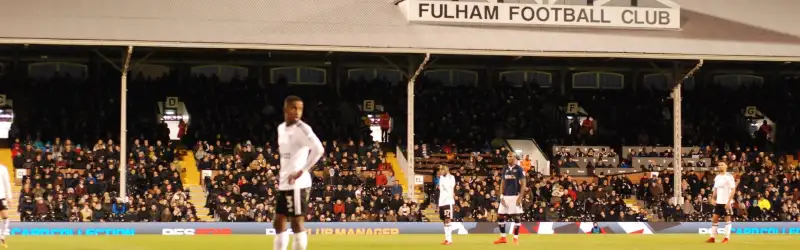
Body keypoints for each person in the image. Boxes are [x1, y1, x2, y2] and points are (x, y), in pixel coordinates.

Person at [273, 95, 325, 250]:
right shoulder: (281, 128)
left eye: (300, 109)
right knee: (278, 221)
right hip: (284, 183)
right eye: (294, 107)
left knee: (296, 222)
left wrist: (302, 170)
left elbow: (319, 149)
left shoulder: (303, 129)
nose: (297, 111)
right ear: (285, 108)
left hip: (298, 183)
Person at [494, 152, 526, 245]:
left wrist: (520, 197)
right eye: (508, 156)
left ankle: (515, 238)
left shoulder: (519, 169)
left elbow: (524, 183)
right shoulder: (505, 168)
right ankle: (503, 237)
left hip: (515, 195)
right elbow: (502, 183)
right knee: (500, 215)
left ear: (515, 157)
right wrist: (501, 196)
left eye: (511, 156)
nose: (509, 158)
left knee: (516, 216)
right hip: (505, 196)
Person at [706, 162, 736, 244]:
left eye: (722, 165)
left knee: (727, 220)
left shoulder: (729, 176)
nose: (720, 166)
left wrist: (729, 202)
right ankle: (712, 237)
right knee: (714, 219)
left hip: (726, 202)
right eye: (719, 165)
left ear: (726, 166)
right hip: (718, 202)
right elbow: (715, 189)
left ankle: (726, 238)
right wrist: (713, 198)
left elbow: (733, 190)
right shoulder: (717, 177)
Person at [437, 165, 456, 245]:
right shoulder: (441, 178)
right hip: (442, 202)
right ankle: (446, 238)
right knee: (444, 220)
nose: (440, 172)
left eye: (441, 170)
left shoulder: (451, 177)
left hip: (448, 201)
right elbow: (441, 189)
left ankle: (449, 239)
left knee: (448, 219)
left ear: (445, 170)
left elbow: (449, 187)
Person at [0, 164, 11, 248]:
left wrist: (9, 197)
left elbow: (6, 183)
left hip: (1, 197)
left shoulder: (3, 168)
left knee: (5, 217)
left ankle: (2, 237)